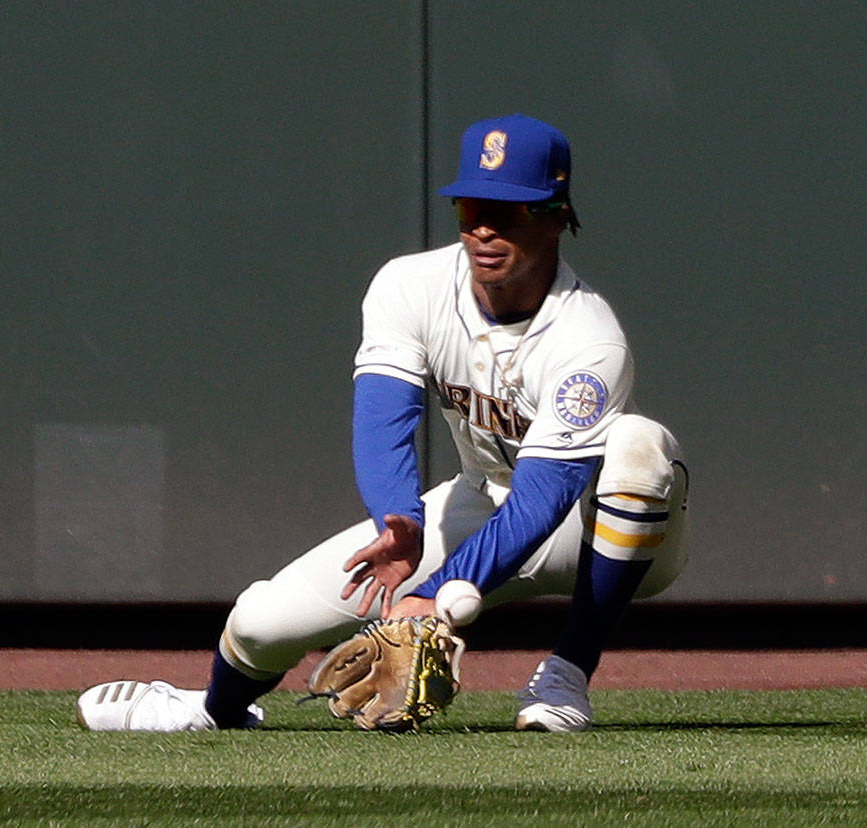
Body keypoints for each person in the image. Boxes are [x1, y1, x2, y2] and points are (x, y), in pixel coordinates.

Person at [76, 113, 689, 733]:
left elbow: (542, 496)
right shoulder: (410, 284)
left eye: (508, 211)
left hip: (593, 528)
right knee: (261, 622)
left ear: (557, 214)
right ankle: (212, 710)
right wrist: (399, 518)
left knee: (639, 447)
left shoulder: (589, 337)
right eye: (471, 206)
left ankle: (566, 676)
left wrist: (443, 591)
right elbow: (383, 414)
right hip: (477, 500)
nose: (482, 227)